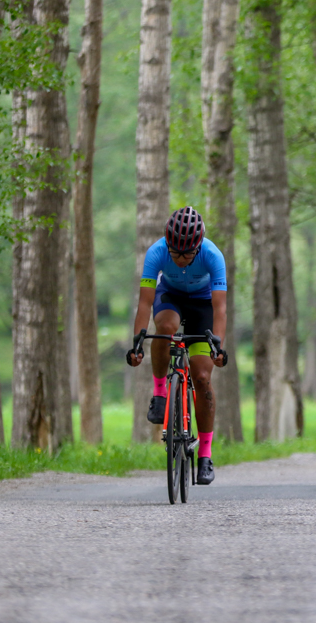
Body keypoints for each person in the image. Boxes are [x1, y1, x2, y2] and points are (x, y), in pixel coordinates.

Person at [126, 207, 229, 485]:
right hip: (169, 296)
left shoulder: (213, 255)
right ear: (167, 245)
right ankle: (160, 392)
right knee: (166, 329)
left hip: (202, 305)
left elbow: (220, 310)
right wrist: (137, 343)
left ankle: (205, 455)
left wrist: (217, 346)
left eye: (187, 254)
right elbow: (145, 303)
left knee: (203, 377)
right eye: (176, 253)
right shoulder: (156, 253)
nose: (181, 259)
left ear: (198, 246)